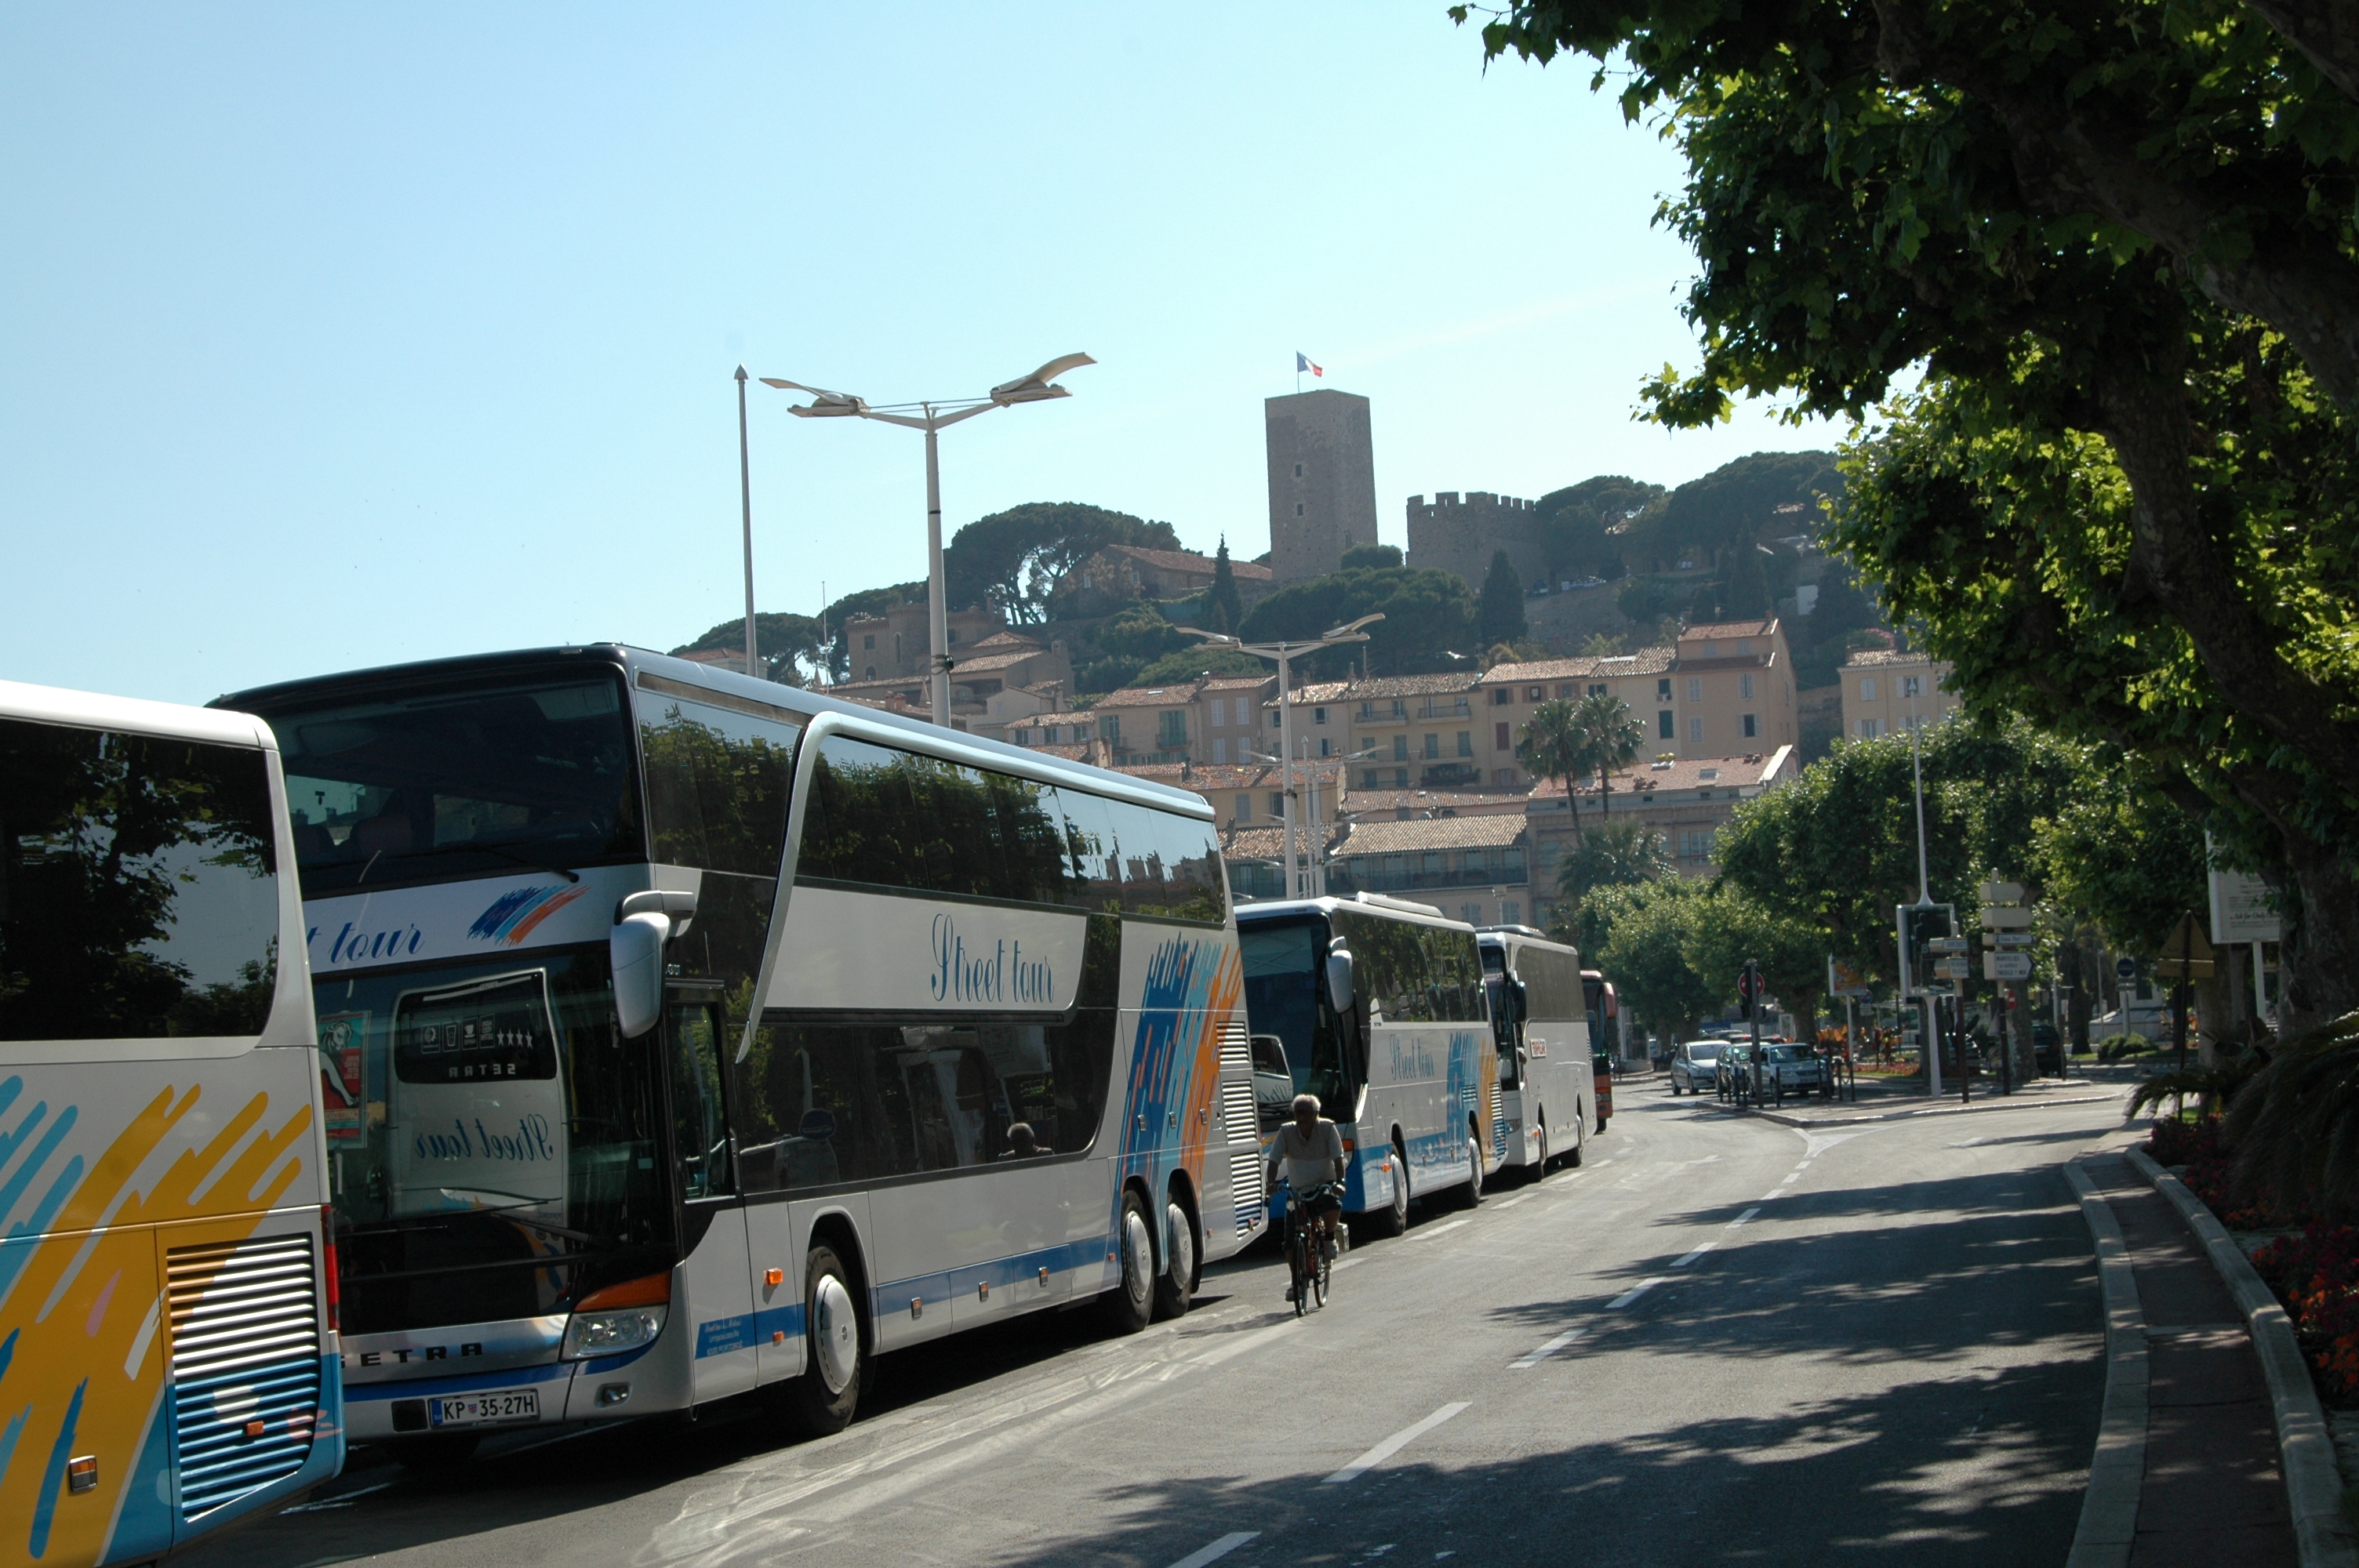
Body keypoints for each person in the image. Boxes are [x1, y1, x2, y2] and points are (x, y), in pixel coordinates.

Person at [1265, 1092, 1345, 1301]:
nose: (1301, 1117)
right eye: (1298, 1113)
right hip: (1298, 1190)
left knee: (1331, 1202)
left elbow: (1338, 1159)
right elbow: (1273, 1161)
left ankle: (1328, 1238)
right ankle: (1296, 1282)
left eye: (1306, 1113)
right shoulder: (1286, 1131)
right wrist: (1270, 1184)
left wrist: (1339, 1182)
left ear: (1316, 1114)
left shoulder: (1328, 1128)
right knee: (1290, 1240)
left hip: (1323, 1185)